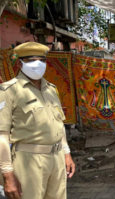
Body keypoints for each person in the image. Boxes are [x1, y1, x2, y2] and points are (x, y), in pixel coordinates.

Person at [0, 42, 75, 199]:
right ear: (20, 63)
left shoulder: (51, 89)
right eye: (31, 60)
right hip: (28, 161)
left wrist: (66, 153)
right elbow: (2, 136)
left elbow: (58, 124)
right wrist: (7, 174)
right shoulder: (9, 91)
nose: (38, 64)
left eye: (41, 60)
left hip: (57, 159)